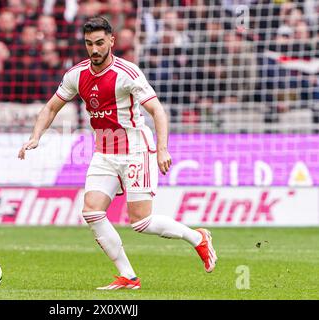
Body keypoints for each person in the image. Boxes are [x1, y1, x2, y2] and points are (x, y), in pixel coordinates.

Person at [18, 17, 217, 290]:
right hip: (104, 152)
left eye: (100, 43)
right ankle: (129, 276)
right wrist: (36, 136)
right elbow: (51, 107)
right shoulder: (76, 74)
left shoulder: (128, 73)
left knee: (141, 222)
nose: (94, 49)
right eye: (89, 44)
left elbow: (157, 110)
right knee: (91, 212)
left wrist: (162, 149)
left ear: (111, 41)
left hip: (136, 149)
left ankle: (198, 238)